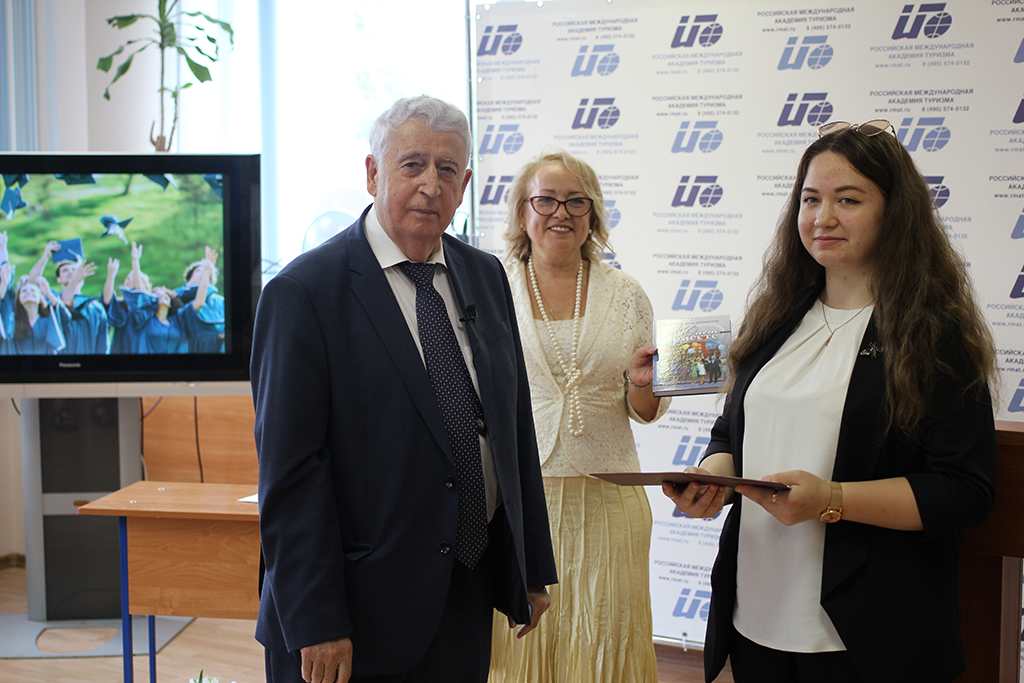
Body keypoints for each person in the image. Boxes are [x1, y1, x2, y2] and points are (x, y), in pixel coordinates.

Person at [662, 119, 997, 683]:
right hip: (756, 616)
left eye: (848, 199)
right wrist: (712, 479)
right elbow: (730, 434)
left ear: (895, 213)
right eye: (811, 199)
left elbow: (964, 491)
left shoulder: (934, 336)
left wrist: (832, 499)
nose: (822, 217)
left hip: (868, 635)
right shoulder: (774, 318)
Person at [250, 95, 557, 683]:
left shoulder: (485, 274)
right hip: (351, 612)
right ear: (373, 174)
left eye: (447, 169)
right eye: (412, 164)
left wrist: (529, 562)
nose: (429, 185)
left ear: (465, 185)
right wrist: (316, 619)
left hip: (464, 590)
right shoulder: (303, 293)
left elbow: (512, 423)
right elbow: (290, 473)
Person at [490, 151, 670, 682]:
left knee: (606, 640)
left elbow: (646, 410)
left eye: (576, 201)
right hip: (520, 501)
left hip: (609, 500)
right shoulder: (491, 288)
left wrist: (642, 384)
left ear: (592, 215)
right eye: (545, 200)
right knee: (521, 651)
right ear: (522, 212)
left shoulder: (626, 294)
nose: (561, 213)